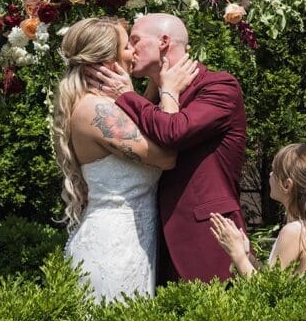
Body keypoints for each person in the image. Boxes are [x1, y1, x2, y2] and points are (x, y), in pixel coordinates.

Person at [87, 13, 248, 284]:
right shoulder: (150, 98)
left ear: (163, 42)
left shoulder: (219, 86)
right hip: (152, 241)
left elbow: (173, 133)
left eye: (135, 40)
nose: (130, 50)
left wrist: (127, 95)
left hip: (208, 237)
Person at [53, 17, 198, 301]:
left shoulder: (107, 105)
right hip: (112, 248)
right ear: (108, 60)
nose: (133, 52)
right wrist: (169, 92)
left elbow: (140, 121)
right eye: (127, 46)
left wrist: (149, 86)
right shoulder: (96, 111)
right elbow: (166, 155)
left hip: (132, 242)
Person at [209, 143, 306, 280]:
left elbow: (266, 289)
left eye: (274, 171)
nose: (270, 174)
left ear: (287, 185)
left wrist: (237, 254)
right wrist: (248, 257)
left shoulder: (293, 232)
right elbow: (273, 280)